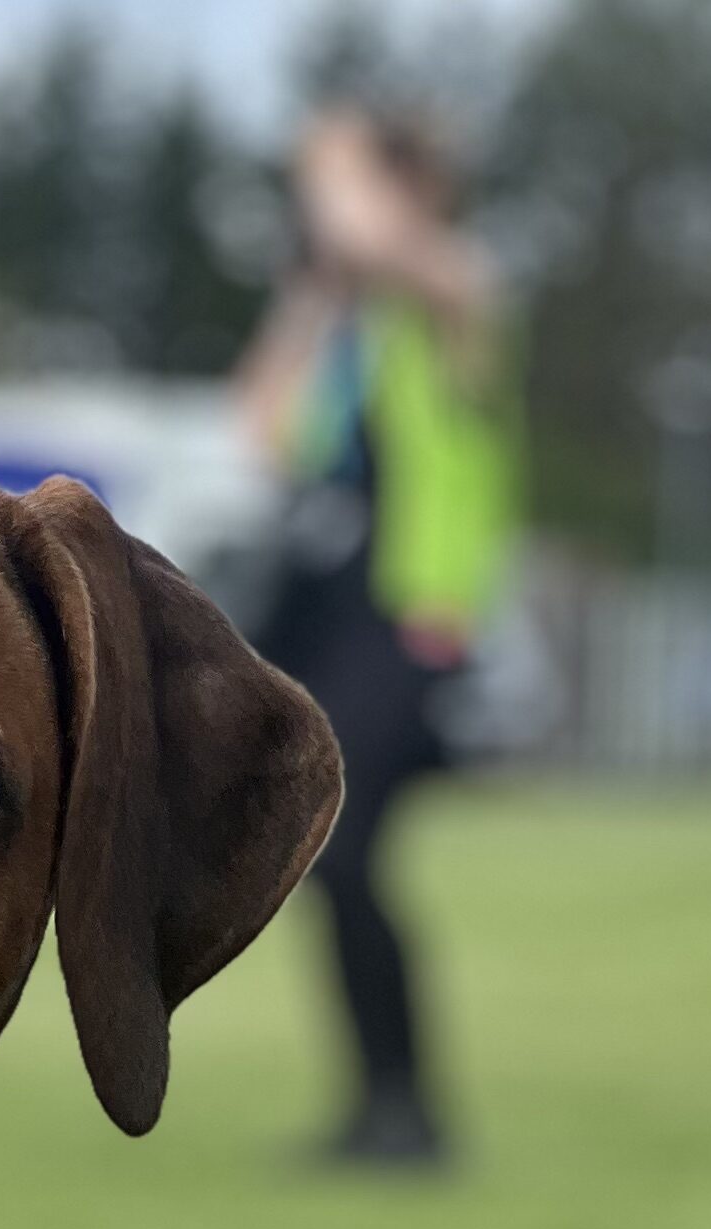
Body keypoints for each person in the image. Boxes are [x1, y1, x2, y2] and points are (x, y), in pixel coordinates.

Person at [236, 104, 518, 1168]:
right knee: (333, 861)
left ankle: (405, 1111)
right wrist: (309, 299)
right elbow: (262, 427)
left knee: (345, 850)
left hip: (413, 613)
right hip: (330, 608)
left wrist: (332, 164)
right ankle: (382, 1112)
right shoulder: (351, 326)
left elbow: (395, 253)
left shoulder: (460, 295)